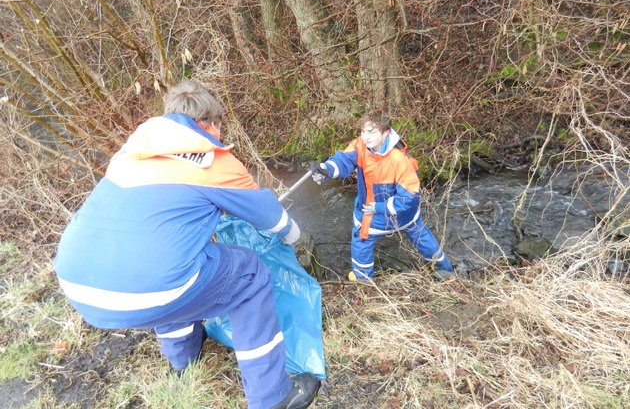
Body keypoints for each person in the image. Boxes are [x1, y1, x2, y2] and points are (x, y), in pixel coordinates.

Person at [54, 80, 320, 409]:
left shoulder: (132, 152)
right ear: (211, 124)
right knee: (250, 274)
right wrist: (297, 238)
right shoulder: (214, 160)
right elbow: (270, 216)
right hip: (149, 285)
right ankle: (273, 396)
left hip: (78, 284)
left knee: (171, 256)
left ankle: (184, 361)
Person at [310, 111, 455, 282]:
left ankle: (363, 280)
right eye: (363, 131)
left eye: (372, 132)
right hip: (406, 216)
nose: (366, 137)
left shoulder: (399, 159)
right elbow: (344, 160)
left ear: (385, 132)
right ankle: (443, 269)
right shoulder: (361, 146)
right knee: (419, 233)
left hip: (383, 214)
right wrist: (327, 169)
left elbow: (409, 195)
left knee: (361, 239)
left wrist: (379, 208)